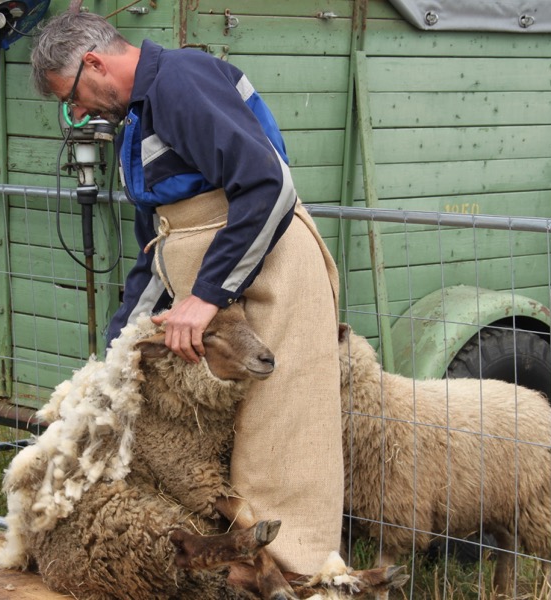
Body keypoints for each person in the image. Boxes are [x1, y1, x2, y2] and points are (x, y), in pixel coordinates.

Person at [30, 11, 343, 574]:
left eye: (71, 97)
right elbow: (158, 243)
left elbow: (268, 186)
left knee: (280, 432)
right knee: (233, 442)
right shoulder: (138, 119)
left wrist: (205, 297)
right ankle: (242, 572)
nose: (77, 113)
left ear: (94, 63)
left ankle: (302, 572)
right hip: (218, 282)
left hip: (272, 273)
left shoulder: (180, 82)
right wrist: (117, 351)